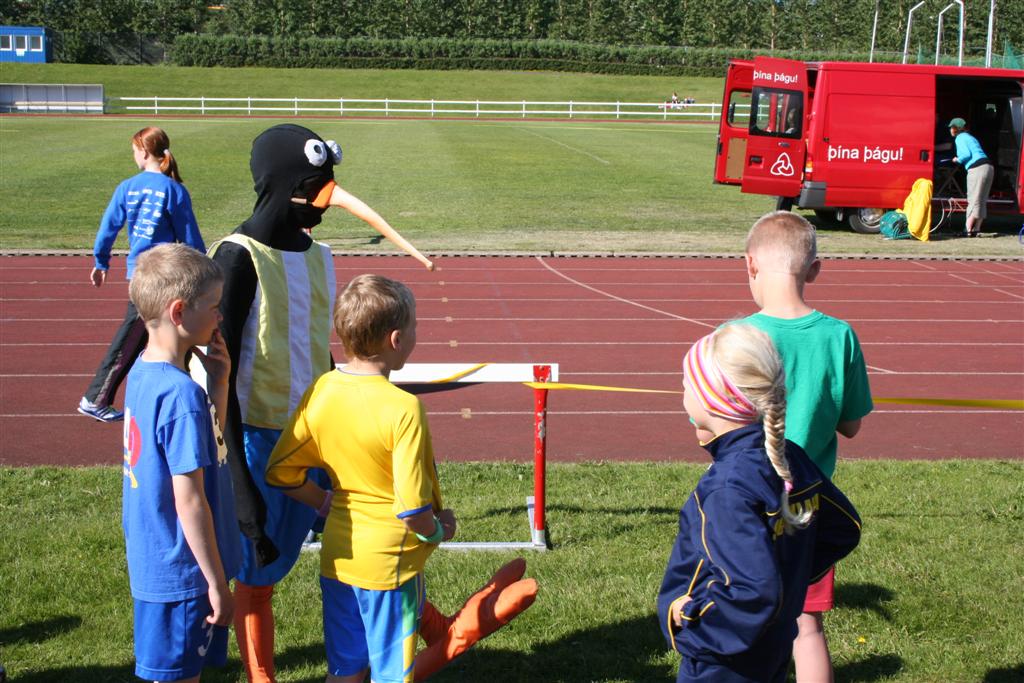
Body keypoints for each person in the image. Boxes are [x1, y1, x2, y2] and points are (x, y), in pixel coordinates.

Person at [210, 124, 431, 683]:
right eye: (316, 187)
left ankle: (393, 641)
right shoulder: (237, 258)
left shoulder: (320, 256)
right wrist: (240, 486)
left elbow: (319, 350)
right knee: (256, 573)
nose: (327, 199)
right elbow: (219, 376)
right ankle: (259, 674)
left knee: (366, 542)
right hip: (256, 439)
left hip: (319, 434)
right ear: (286, 186)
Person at [266, 274, 537, 682]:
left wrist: (322, 501)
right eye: (414, 327)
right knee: (393, 674)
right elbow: (411, 510)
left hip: (339, 558)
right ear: (395, 339)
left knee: (345, 668)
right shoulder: (403, 408)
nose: (416, 335)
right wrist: (439, 531)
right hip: (389, 567)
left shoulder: (322, 389)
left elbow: (280, 471)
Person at [658, 324, 862, 683]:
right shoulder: (790, 457)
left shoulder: (726, 488)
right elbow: (843, 529)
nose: (683, 391)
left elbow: (754, 591)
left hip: (723, 662)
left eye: (687, 383)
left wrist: (693, 624)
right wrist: (790, 584)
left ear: (713, 398)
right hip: (774, 644)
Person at [740, 211, 873, 683]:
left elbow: (711, 422)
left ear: (750, 264)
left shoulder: (736, 337)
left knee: (740, 617)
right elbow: (851, 424)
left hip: (746, 500)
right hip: (809, 501)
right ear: (814, 269)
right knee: (806, 624)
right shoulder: (840, 336)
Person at [121, 243, 240, 682]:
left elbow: (210, 444)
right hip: (185, 573)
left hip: (161, 559)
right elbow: (189, 500)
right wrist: (216, 583)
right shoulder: (179, 395)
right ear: (178, 312)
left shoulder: (145, 373)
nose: (220, 316)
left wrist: (219, 386)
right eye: (213, 306)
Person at [79, 126, 205, 423]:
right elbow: (189, 237)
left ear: (145, 152)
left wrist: (101, 261)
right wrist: (202, 269)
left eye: (134, 151)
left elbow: (109, 226)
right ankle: (95, 398)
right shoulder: (174, 190)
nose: (134, 156)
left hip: (141, 274)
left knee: (160, 336)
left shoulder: (128, 187)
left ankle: (175, 396)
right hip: (163, 275)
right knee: (137, 337)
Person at [948, 117, 995, 237]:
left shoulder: (960, 138)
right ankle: (977, 229)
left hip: (977, 168)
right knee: (982, 199)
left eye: (951, 127)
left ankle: (967, 230)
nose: (950, 130)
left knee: (973, 200)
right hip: (988, 167)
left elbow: (966, 154)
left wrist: (957, 159)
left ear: (956, 129)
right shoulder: (971, 137)